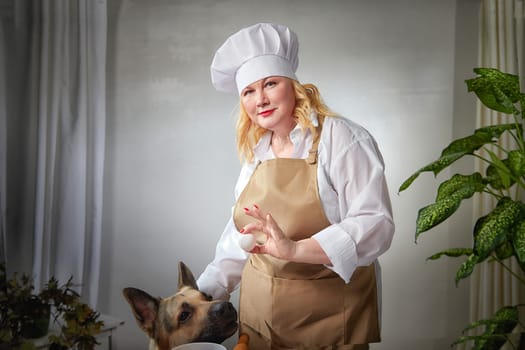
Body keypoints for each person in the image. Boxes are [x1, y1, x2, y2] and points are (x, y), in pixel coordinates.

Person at [197, 22, 394, 350]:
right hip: (260, 316)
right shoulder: (257, 153)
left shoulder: (340, 138)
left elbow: (375, 224)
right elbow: (242, 234)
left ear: (293, 85)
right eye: (248, 91)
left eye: (270, 84)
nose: (260, 100)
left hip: (328, 318)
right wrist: (204, 291)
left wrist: (296, 250)